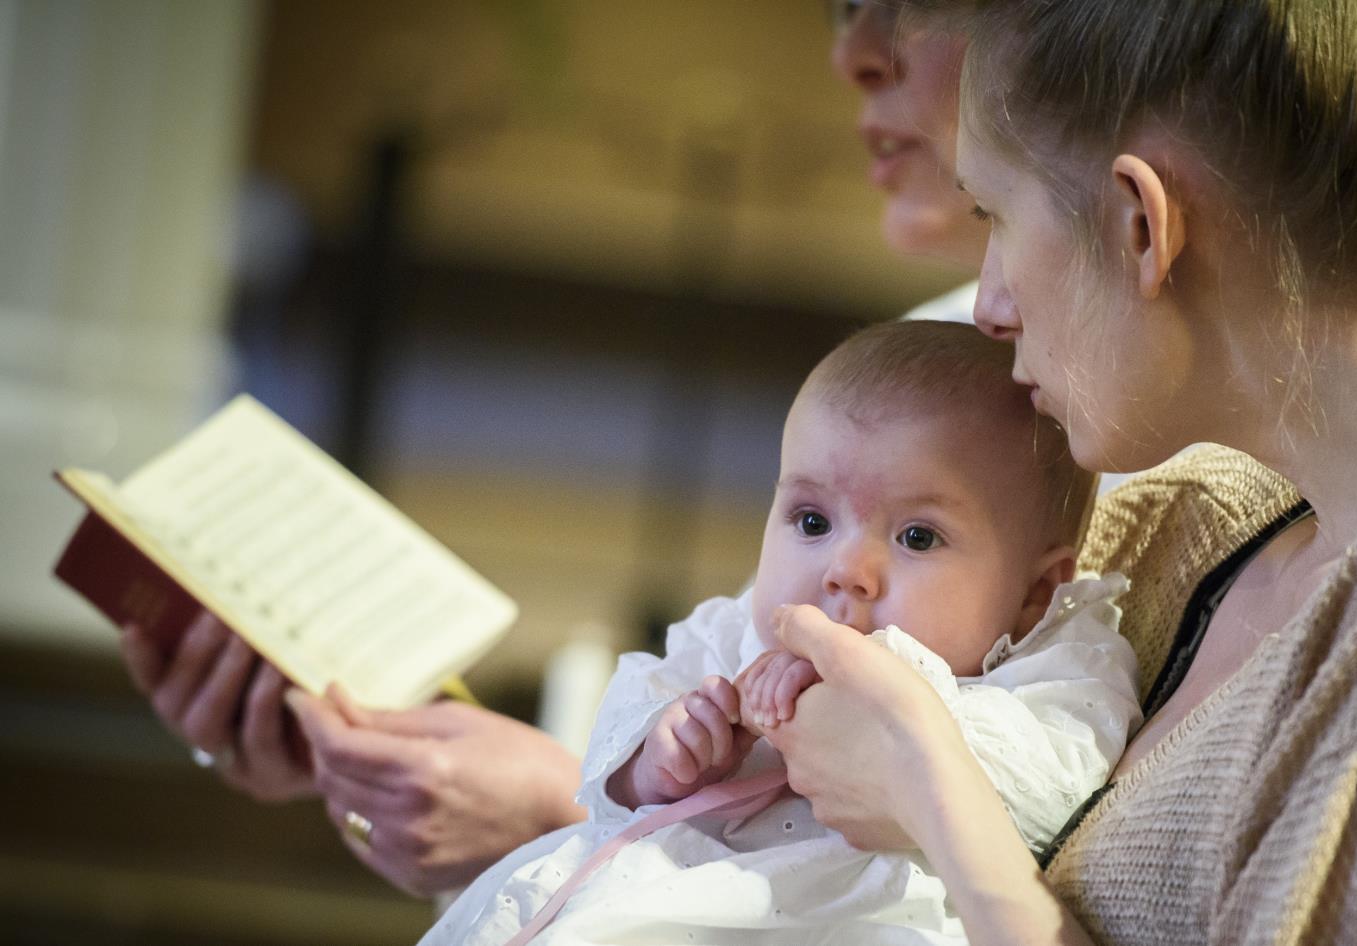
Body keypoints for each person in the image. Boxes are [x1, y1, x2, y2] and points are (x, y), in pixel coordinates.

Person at [752, 1, 1357, 944]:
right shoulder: (1196, 523)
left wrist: (933, 800)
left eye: (996, 212)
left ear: (1141, 223)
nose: (988, 304)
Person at [114, 0, 993, 898]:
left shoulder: (1050, 431)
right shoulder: (915, 348)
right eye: (841, 10)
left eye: (903, 7)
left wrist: (550, 815)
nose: (852, 54)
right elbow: (722, 699)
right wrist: (366, 749)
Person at [415, 320, 1139, 944]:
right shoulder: (736, 633)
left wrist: (880, 689)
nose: (846, 571)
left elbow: (1049, 795)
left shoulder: (1056, 662)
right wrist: (659, 755)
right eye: (813, 522)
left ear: (1035, 591)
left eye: (918, 536)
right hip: (641, 900)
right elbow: (623, 730)